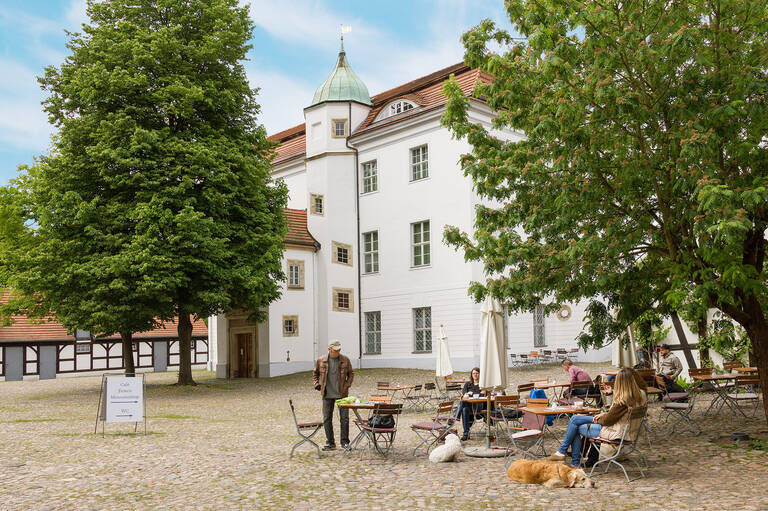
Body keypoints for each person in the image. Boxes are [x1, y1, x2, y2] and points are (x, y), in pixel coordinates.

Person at [548, 367, 647, 466]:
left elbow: (608, 420)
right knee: (576, 420)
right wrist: (609, 398)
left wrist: (598, 418)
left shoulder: (623, 399)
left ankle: (572, 460)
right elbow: (617, 413)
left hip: (616, 433)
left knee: (576, 424)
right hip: (629, 431)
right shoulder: (641, 395)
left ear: (620, 383)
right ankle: (568, 455)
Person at [312, 339, 354, 450]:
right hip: (327, 394)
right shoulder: (321, 360)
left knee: (344, 419)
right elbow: (315, 373)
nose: (338, 351)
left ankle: (345, 442)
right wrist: (316, 384)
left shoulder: (345, 360)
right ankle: (330, 442)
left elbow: (351, 374)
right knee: (327, 419)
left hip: (342, 394)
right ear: (329, 349)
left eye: (339, 349)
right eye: (335, 349)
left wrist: (346, 386)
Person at [454, 367, 485, 441]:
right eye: (474, 373)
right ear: (471, 374)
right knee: (464, 409)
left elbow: (482, 395)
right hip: (468, 405)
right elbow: (464, 393)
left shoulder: (483, 384)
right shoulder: (468, 384)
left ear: (480, 374)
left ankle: (456, 416)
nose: (475, 375)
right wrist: (473, 394)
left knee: (464, 402)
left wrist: (471, 393)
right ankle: (466, 434)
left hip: (478, 405)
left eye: (477, 373)